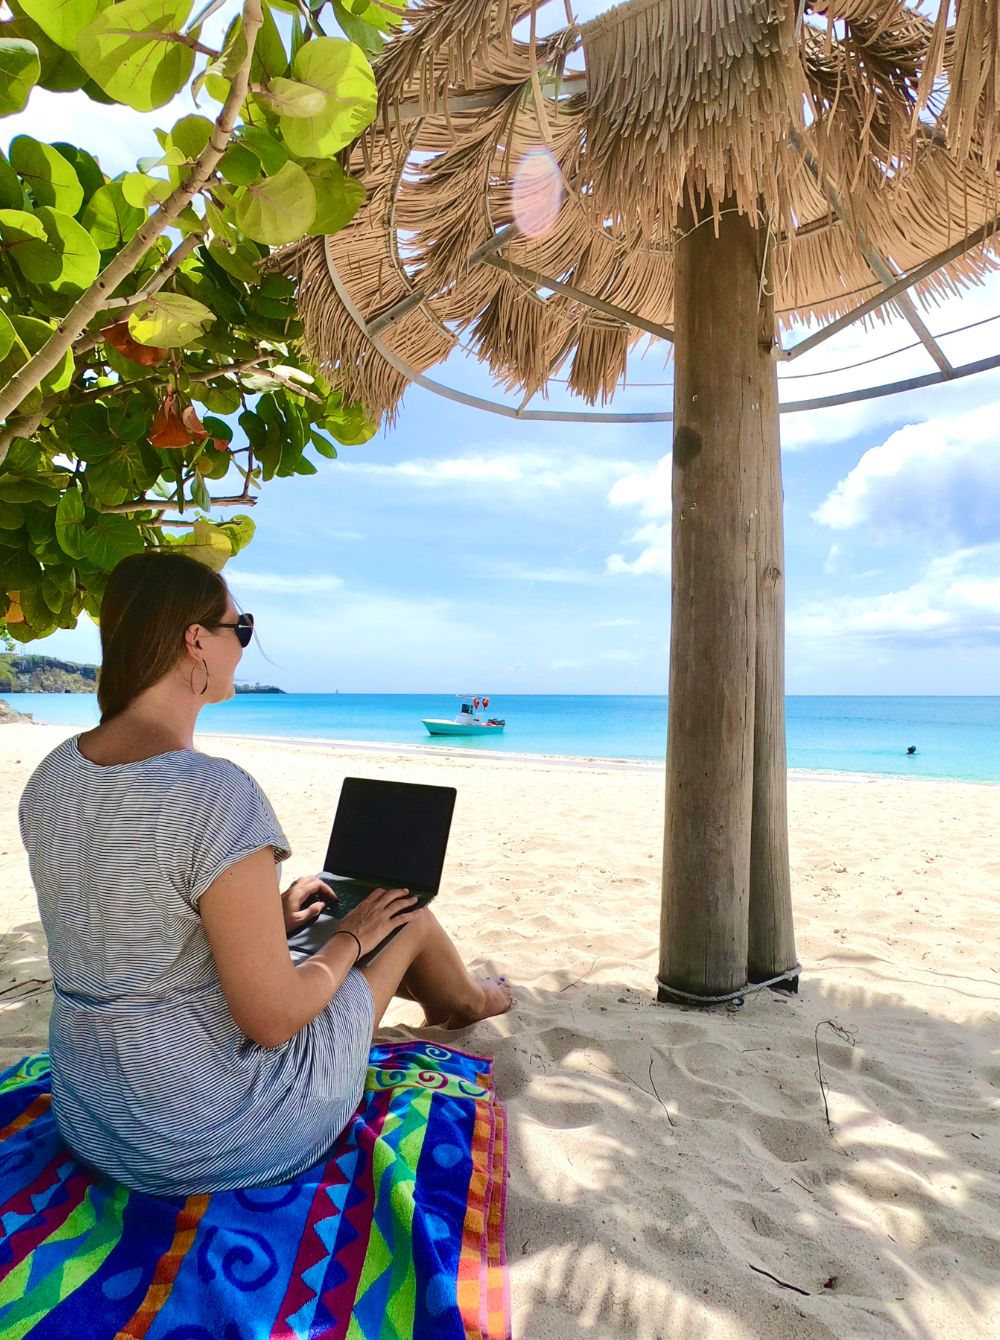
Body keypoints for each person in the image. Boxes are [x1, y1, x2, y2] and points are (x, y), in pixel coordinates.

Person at [18, 551, 512, 1197]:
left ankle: (447, 990)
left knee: (349, 927)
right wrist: (352, 938)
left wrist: (267, 918)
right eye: (240, 628)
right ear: (197, 640)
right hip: (211, 1132)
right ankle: (471, 1002)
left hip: (97, 1119)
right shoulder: (214, 793)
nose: (243, 647)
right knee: (402, 914)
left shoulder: (53, 776)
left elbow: (121, 920)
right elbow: (273, 1020)